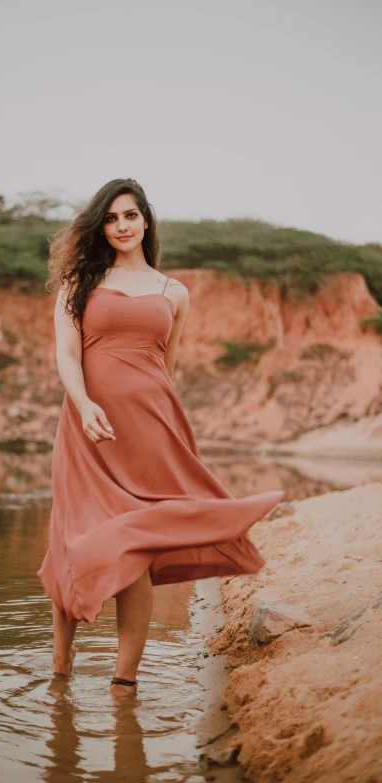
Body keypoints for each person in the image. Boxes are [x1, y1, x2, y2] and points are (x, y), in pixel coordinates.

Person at [37, 178, 285, 699]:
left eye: (130, 215)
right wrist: (83, 405)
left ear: (146, 221)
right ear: (100, 226)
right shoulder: (78, 282)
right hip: (89, 427)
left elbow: (165, 367)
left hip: (151, 427)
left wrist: (168, 427)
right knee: (74, 539)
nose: (122, 226)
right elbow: (66, 355)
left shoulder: (174, 292)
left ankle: (123, 682)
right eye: (111, 218)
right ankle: (61, 665)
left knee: (138, 542)